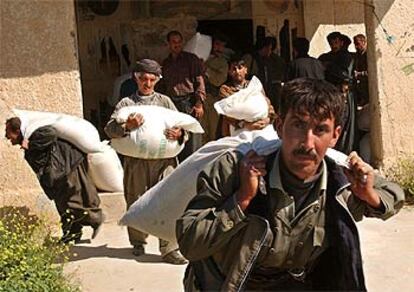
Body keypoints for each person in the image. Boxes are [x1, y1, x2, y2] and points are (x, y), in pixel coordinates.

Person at [176, 78, 404, 291]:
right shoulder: (234, 170)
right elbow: (190, 243)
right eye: (298, 125)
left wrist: (368, 195)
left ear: (335, 136)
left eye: (320, 130)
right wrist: (242, 199)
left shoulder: (342, 179)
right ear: (279, 125)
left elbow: (394, 194)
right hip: (231, 283)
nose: (307, 143)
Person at [104, 59, 187, 265]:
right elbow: (109, 130)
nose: (147, 84)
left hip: (165, 161)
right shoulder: (126, 104)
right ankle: (138, 241)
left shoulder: (165, 102)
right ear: (136, 78)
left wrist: (179, 133)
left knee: (169, 200)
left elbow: (183, 126)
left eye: (152, 79)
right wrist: (127, 126)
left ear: (157, 80)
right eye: (143, 79)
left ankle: (169, 248)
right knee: (136, 200)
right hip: (136, 162)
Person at [5, 118, 104, 244]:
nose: (8, 138)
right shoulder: (29, 139)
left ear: (18, 131)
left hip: (66, 167)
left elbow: (51, 133)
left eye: (9, 134)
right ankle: (72, 233)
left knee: (72, 201)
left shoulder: (35, 134)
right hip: (57, 174)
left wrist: (31, 145)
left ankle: (96, 218)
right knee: (62, 205)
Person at [158, 30, 206, 161]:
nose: (177, 45)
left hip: (189, 103)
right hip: (172, 105)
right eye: (174, 42)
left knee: (192, 143)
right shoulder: (166, 63)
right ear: (168, 44)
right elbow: (162, 87)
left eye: (179, 42)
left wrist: (199, 103)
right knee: (175, 140)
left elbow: (199, 82)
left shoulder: (191, 59)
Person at [218, 55, 276, 138]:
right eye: (234, 69)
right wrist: (245, 125)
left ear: (245, 70)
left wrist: (268, 119)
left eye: (240, 68)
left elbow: (266, 103)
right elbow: (227, 113)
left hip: (260, 127)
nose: (237, 71)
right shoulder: (225, 89)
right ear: (229, 72)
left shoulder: (254, 86)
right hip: (236, 129)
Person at [243, 37, 286, 110]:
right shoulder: (250, 58)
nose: (270, 52)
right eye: (269, 49)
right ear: (264, 48)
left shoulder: (269, 60)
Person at [202, 33, 230, 143]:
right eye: (217, 44)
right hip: (200, 100)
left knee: (213, 132)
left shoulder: (222, 62)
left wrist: (206, 69)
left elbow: (218, 80)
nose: (219, 48)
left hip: (213, 100)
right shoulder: (201, 57)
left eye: (222, 46)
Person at [353, 34, 369, 106]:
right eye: (355, 44)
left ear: (364, 42)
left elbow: (371, 72)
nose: (356, 47)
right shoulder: (357, 55)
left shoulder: (368, 54)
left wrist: (360, 74)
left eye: (358, 44)